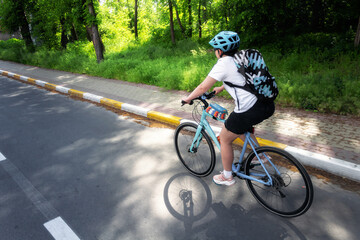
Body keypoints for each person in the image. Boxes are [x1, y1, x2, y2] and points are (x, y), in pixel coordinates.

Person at [181, 31, 275, 186]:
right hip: (266, 104)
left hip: (249, 109)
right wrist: (221, 87)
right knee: (240, 128)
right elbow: (240, 79)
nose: (214, 52)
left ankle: (227, 176)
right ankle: (261, 156)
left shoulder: (223, 64)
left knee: (225, 137)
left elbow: (203, 87)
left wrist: (188, 98)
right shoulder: (240, 59)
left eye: (215, 49)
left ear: (220, 50)